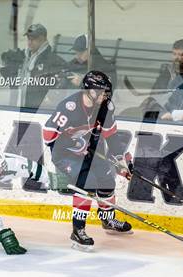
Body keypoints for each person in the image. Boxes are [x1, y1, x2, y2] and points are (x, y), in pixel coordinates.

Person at [43, 70, 132, 251]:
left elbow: (112, 137)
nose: (106, 96)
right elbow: (48, 136)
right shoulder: (69, 107)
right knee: (87, 182)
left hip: (91, 150)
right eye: (103, 92)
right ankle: (78, 231)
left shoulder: (106, 107)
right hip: (65, 154)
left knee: (107, 177)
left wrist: (123, 160)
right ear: (90, 92)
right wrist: (72, 143)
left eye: (108, 92)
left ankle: (107, 220)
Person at [0, 23, 66, 108]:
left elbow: (62, 88)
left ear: (42, 39)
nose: (29, 42)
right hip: (16, 109)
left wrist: (47, 102)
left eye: (33, 39)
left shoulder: (54, 61)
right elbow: (9, 77)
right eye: (28, 39)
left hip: (37, 113)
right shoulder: (21, 57)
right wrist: (5, 63)